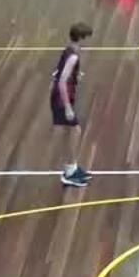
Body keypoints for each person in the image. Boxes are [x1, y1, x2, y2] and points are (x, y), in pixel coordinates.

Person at [53, 22, 95, 187]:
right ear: (82, 38)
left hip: (60, 97)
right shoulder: (73, 57)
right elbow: (62, 81)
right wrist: (68, 107)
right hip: (62, 99)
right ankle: (69, 173)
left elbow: (58, 73)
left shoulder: (68, 50)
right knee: (75, 131)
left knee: (71, 131)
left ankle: (72, 168)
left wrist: (76, 75)